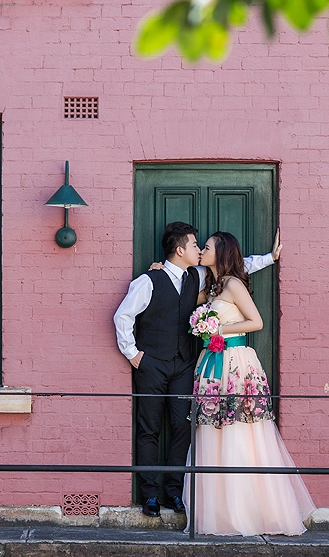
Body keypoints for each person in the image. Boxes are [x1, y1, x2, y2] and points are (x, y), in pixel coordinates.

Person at [113, 221, 280, 518]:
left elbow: (235, 266)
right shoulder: (149, 280)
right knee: (149, 428)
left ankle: (174, 492)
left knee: (182, 426)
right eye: (194, 245)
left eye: (203, 247)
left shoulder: (198, 276)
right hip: (151, 365)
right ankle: (149, 495)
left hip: (183, 366)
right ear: (180, 250)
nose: (199, 250)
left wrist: (270, 258)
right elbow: (122, 316)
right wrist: (133, 354)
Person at [183, 232, 315, 535]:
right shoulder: (211, 285)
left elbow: (256, 322)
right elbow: (180, 293)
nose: (202, 250)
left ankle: (250, 511)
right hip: (212, 361)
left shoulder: (232, 284)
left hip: (236, 363)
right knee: (212, 430)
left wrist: (219, 328)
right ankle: (220, 512)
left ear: (221, 252)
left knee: (240, 429)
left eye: (207, 247)